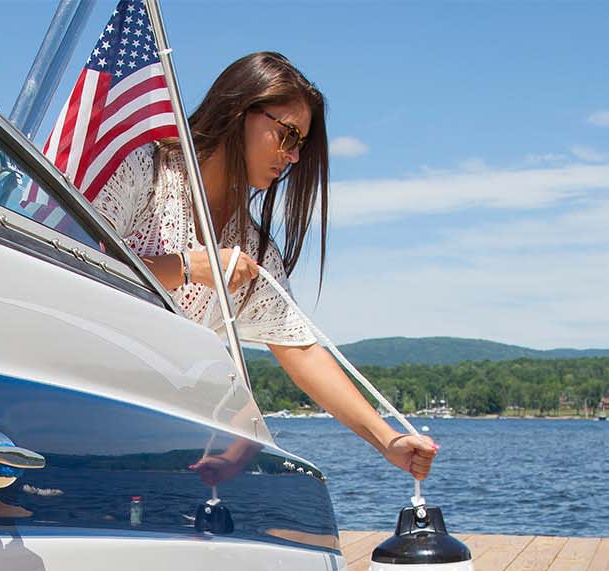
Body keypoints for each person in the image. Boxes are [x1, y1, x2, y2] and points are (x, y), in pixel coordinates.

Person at [91, 52, 437, 480]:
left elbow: (302, 351)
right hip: (76, 414)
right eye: (288, 135)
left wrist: (388, 440)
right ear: (241, 112)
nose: (293, 157)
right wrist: (183, 266)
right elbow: (77, 266)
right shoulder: (145, 171)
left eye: (300, 145)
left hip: (156, 446)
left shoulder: (253, 248)